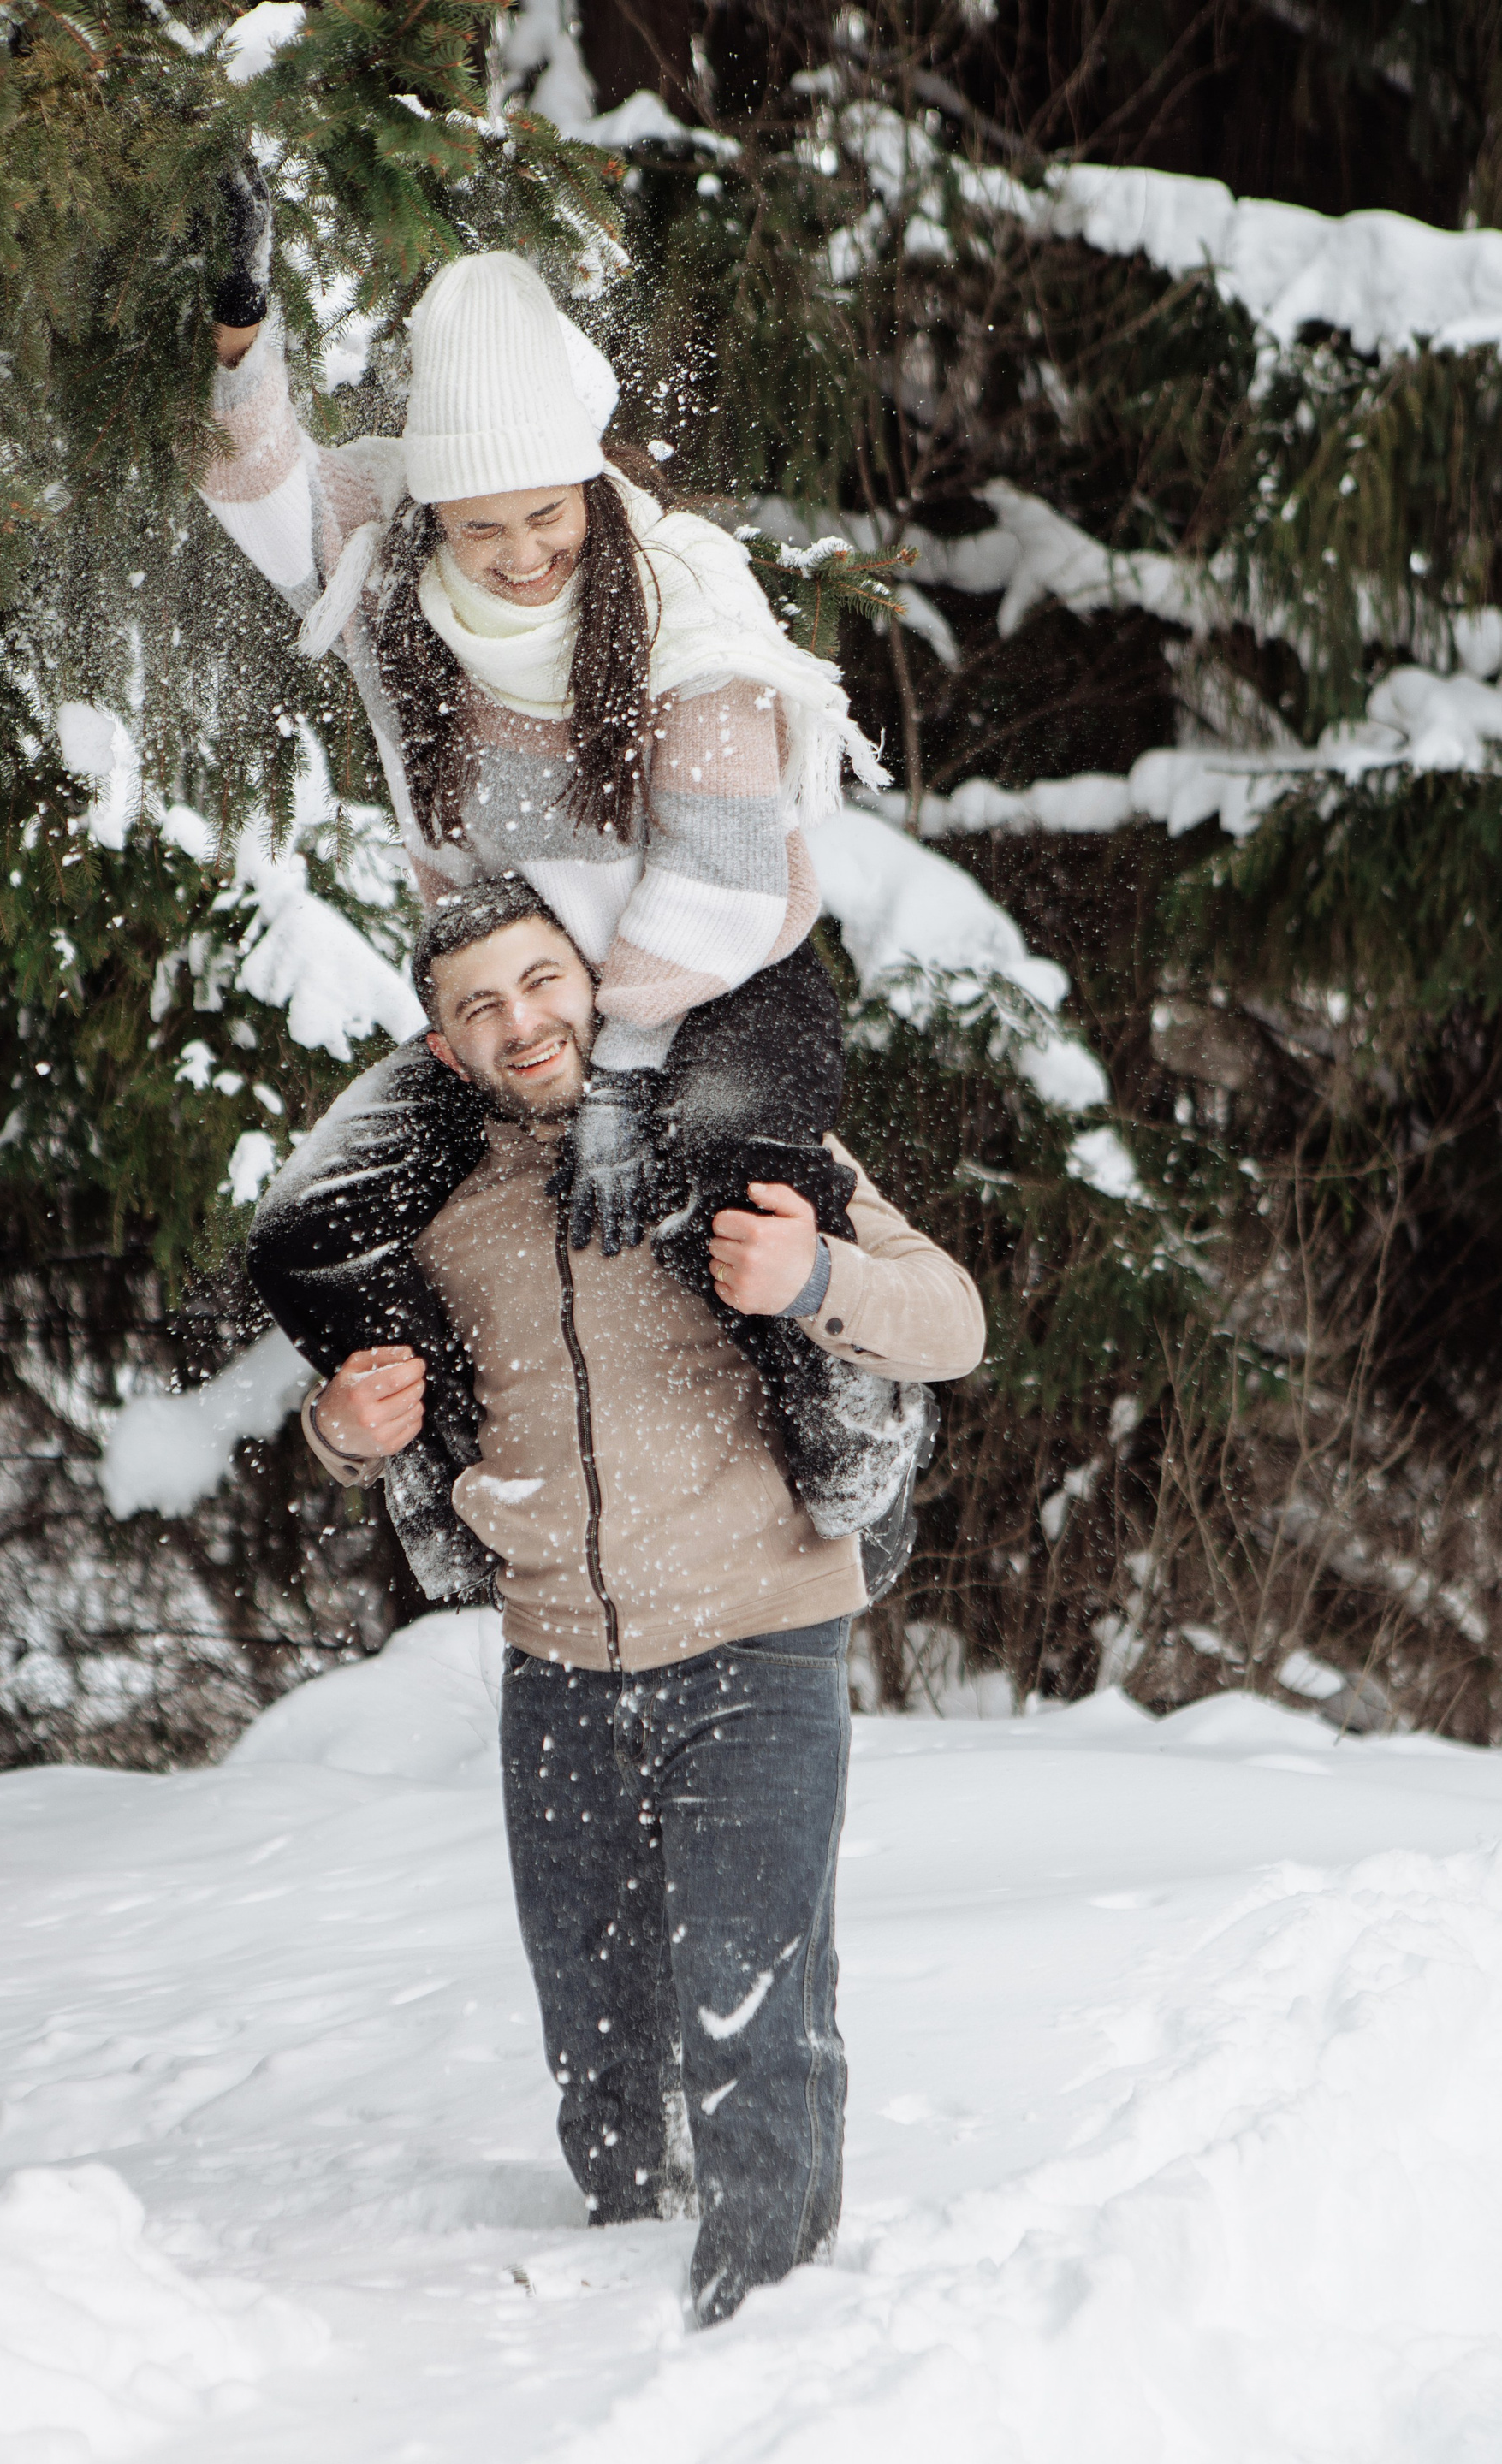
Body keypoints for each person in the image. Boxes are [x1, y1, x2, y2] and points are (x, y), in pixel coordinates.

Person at [196, 178, 919, 1580]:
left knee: (728, 1184)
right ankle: (455, 1507)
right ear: (432, 514)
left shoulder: (682, 605)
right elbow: (266, 493)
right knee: (307, 1230)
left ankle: (856, 1462)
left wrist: (626, 1081)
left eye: (548, 515)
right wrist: (242, 331)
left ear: (589, 484)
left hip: (717, 985)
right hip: (522, 999)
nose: (523, 555)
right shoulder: (386, 563)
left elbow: (720, 877)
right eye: (483, 528)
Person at [296, 879, 986, 2325]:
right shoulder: (437, 1208)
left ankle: (767, 2327)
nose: (521, 1021)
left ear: (596, 983)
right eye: (480, 1004)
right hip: (555, 1663)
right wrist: (341, 1433)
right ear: (444, 1046)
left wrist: (815, 1274)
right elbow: (372, 1411)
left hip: (757, 1634)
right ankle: (617, 2310)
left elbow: (953, 1324)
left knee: (753, 2014)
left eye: (542, 980)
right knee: (600, 2047)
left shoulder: (720, 1137)